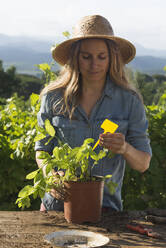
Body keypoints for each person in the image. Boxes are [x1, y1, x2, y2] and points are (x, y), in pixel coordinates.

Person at [35, 15, 152, 212]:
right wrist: (50, 176)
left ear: (111, 58)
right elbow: (42, 150)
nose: (94, 64)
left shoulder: (129, 101)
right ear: (75, 58)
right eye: (86, 56)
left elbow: (143, 164)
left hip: (106, 211)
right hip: (56, 209)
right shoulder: (52, 98)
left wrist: (124, 148)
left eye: (101, 57)